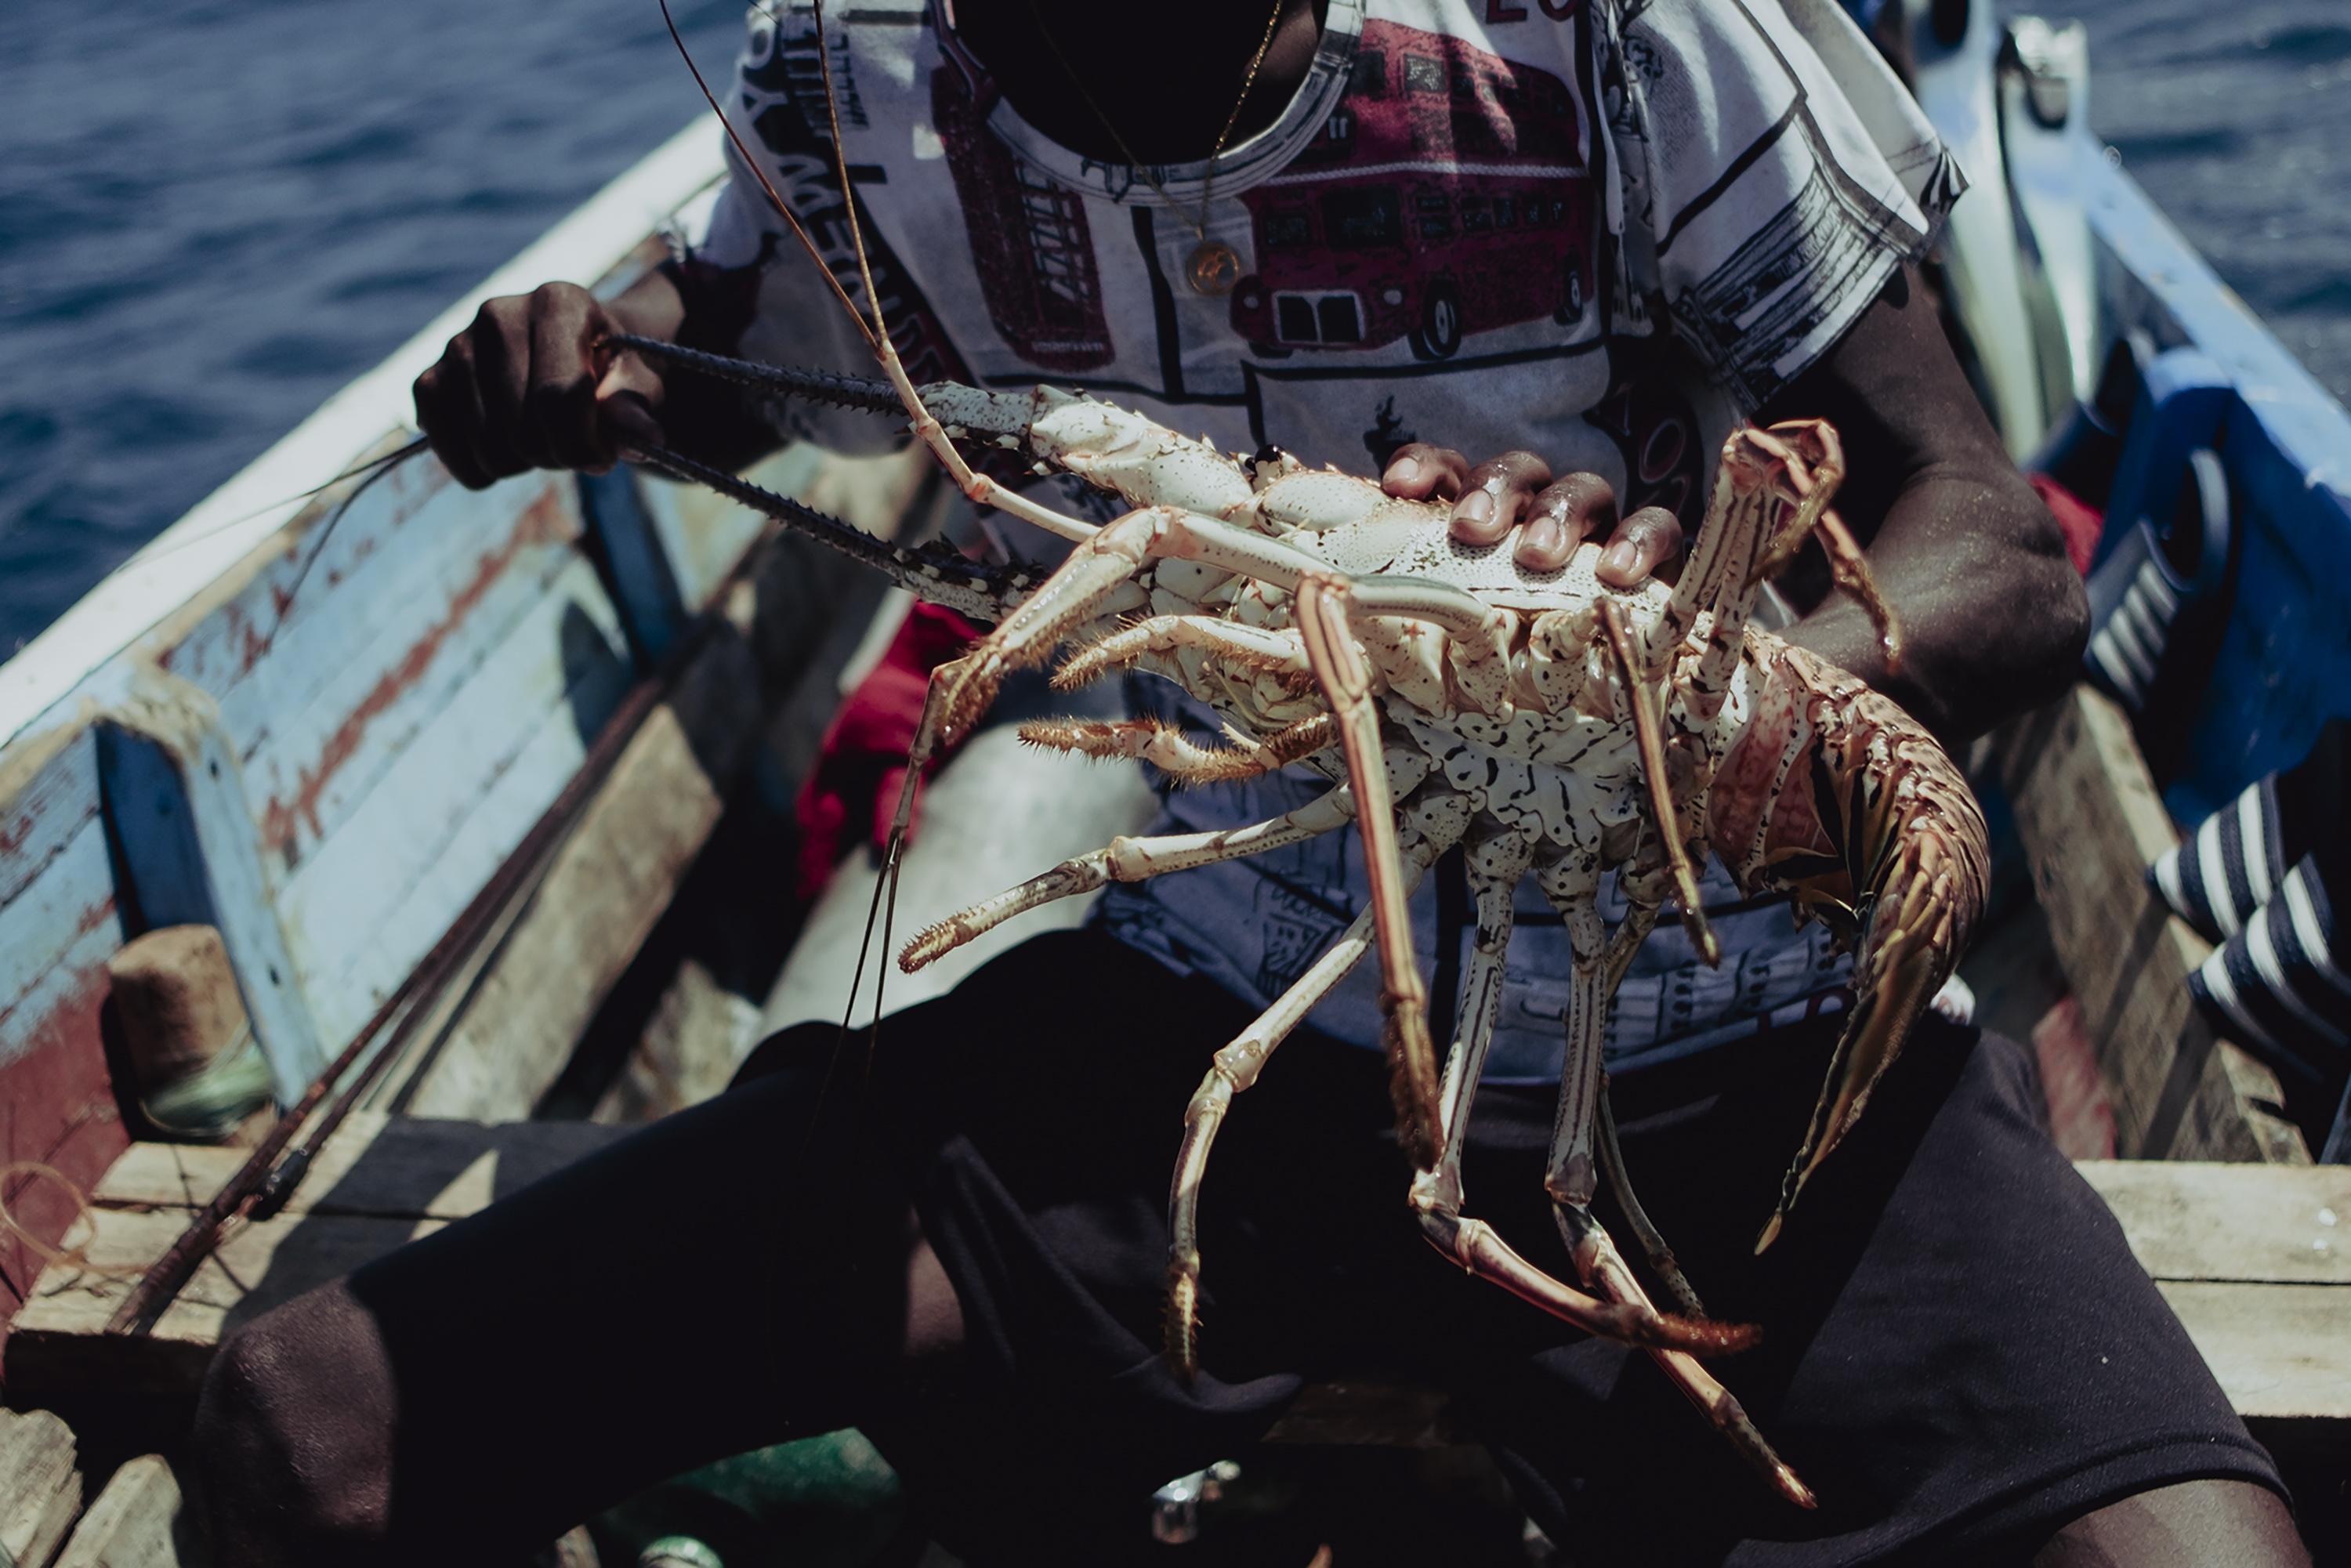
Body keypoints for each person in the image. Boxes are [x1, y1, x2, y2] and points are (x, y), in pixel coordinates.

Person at [194, 3, 2309, 1564]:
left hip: (1727, 1037)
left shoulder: (1624, 38)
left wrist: (1709, 681)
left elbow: (1999, 537)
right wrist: (612, 370)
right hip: (1241, 1020)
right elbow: (749, 335)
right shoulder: (865, 82)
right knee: (309, 1434)